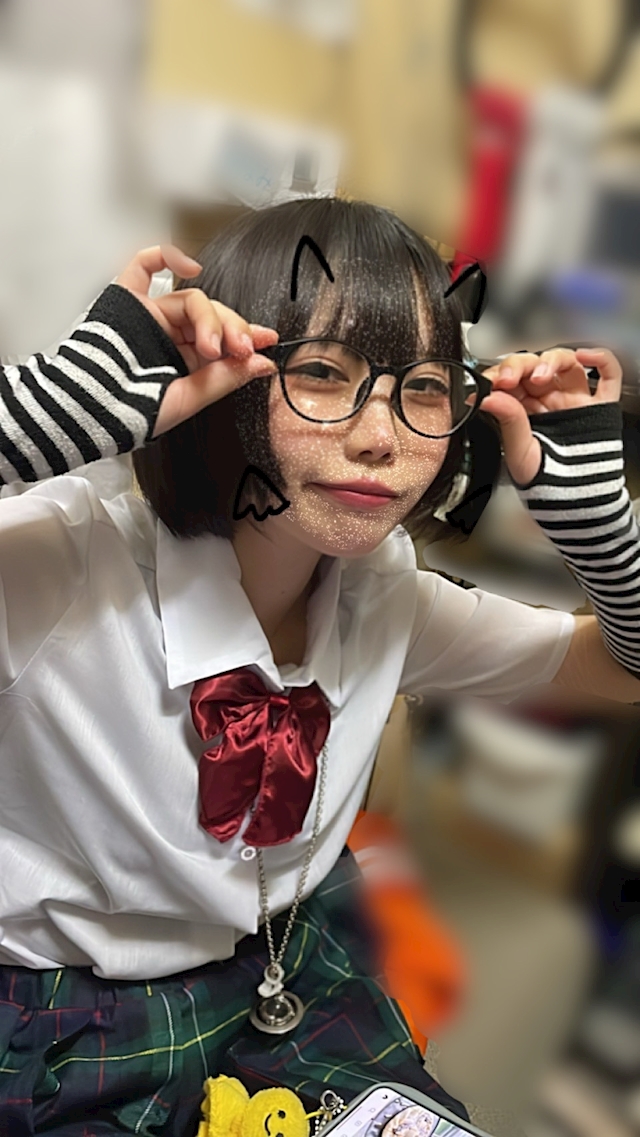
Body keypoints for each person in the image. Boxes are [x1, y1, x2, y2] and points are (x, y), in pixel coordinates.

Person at [0, 197, 639, 1137]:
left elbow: (621, 669)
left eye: (425, 388)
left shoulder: (384, 593)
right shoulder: (60, 558)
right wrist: (34, 416)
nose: (382, 438)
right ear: (224, 376)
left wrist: (605, 535)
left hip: (284, 960)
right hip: (59, 1016)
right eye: (323, 374)